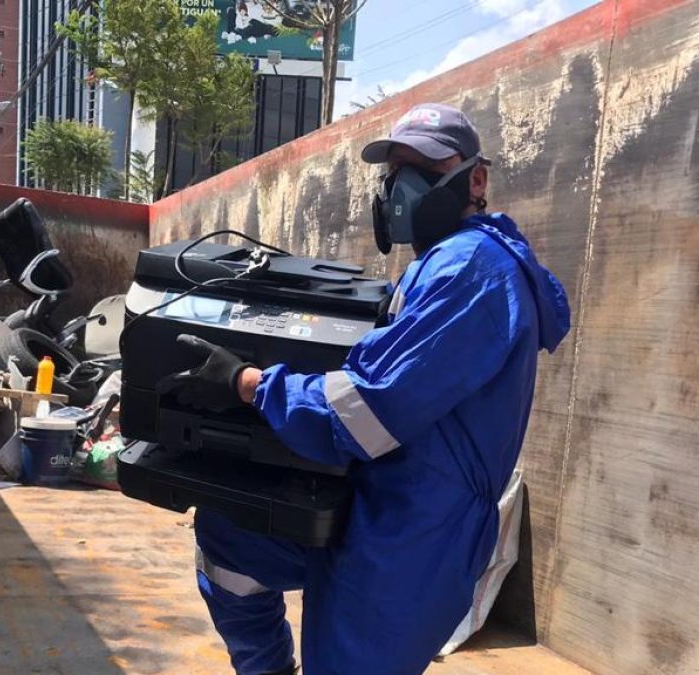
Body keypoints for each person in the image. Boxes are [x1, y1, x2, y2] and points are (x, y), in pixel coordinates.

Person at [161, 103, 572, 675]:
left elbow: (368, 409)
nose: (402, 187)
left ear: (475, 180)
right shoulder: (444, 262)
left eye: (423, 167)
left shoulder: (473, 269)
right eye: (395, 171)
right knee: (229, 536)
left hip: (414, 536)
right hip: (379, 502)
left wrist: (247, 382)